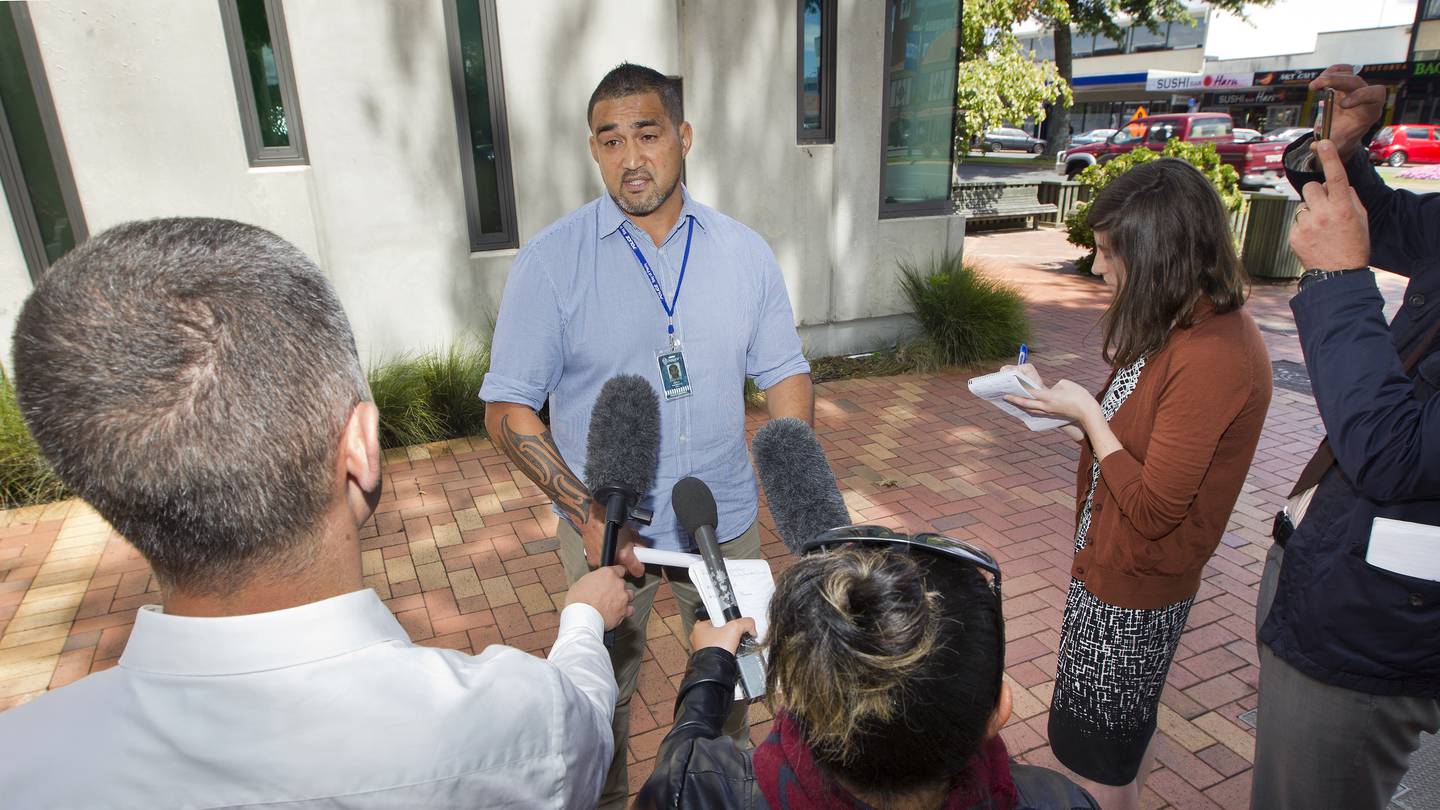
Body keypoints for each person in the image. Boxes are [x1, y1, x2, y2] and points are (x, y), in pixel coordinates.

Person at [0, 218, 632, 809]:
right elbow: (583, 724)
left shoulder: (24, 764)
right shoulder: (515, 724)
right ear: (360, 447)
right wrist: (581, 621)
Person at [479, 63, 813, 808]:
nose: (631, 157)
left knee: (728, 690)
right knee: (598, 702)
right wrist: (588, 507)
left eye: (648, 134)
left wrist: (795, 481)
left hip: (721, 521)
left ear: (683, 138)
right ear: (593, 150)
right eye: (611, 139)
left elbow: (785, 372)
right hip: (606, 529)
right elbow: (506, 408)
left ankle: (714, 795)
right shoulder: (551, 262)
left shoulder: (743, 253)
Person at [1006, 159, 1272, 810]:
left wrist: (1090, 417)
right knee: (1118, 741)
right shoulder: (1180, 323)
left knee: (1096, 757)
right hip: (1113, 573)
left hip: (1133, 592)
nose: (1097, 268)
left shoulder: (1212, 353)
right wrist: (1067, 419)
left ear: (1156, 256)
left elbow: (1154, 507)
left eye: (1105, 253)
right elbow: (1134, 449)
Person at [1251, 65, 1440, 810]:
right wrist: (1346, 150)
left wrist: (1336, 283)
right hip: (1346, 583)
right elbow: (1391, 222)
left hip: (1377, 638)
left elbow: (1392, 451)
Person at [635, 527, 1098, 809]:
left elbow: (684, 760)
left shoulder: (698, 791)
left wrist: (708, 666)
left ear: (804, 695)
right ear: (999, 709)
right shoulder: (1058, 800)